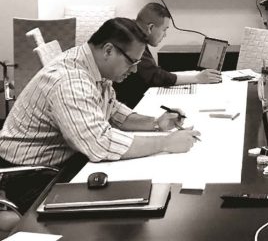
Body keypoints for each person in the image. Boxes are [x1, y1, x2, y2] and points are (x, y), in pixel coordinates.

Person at [0, 18, 200, 212]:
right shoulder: (71, 81)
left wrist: (156, 123)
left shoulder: (91, 65)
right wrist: (165, 143)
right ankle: (11, 221)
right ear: (108, 50)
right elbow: (99, 143)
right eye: (132, 61)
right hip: (29, 174)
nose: (135, 69)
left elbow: (112, 112)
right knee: (117, 211)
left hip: (62, 161)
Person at [113, 3, 221, 108]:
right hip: (127, 104)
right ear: (150, 28)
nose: (165, 35)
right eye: (164, 29)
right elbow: (154, 76)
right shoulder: (132, 40)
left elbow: (152, 72)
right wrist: (196, 78)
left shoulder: (133, 32)